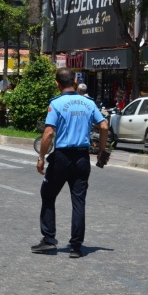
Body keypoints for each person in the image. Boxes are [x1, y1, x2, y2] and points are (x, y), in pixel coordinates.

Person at [32, 67, 109, 258]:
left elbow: (49, 133)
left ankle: (49, 240)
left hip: (62, 157)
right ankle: (76, 246)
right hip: (82, 157)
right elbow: (104, 126)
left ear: (57, 83)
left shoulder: (56, 104)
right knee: (78, 201)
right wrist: (100, 151)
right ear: (74, 82)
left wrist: (41, 157)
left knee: (48, 194)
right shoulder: (88, 103)